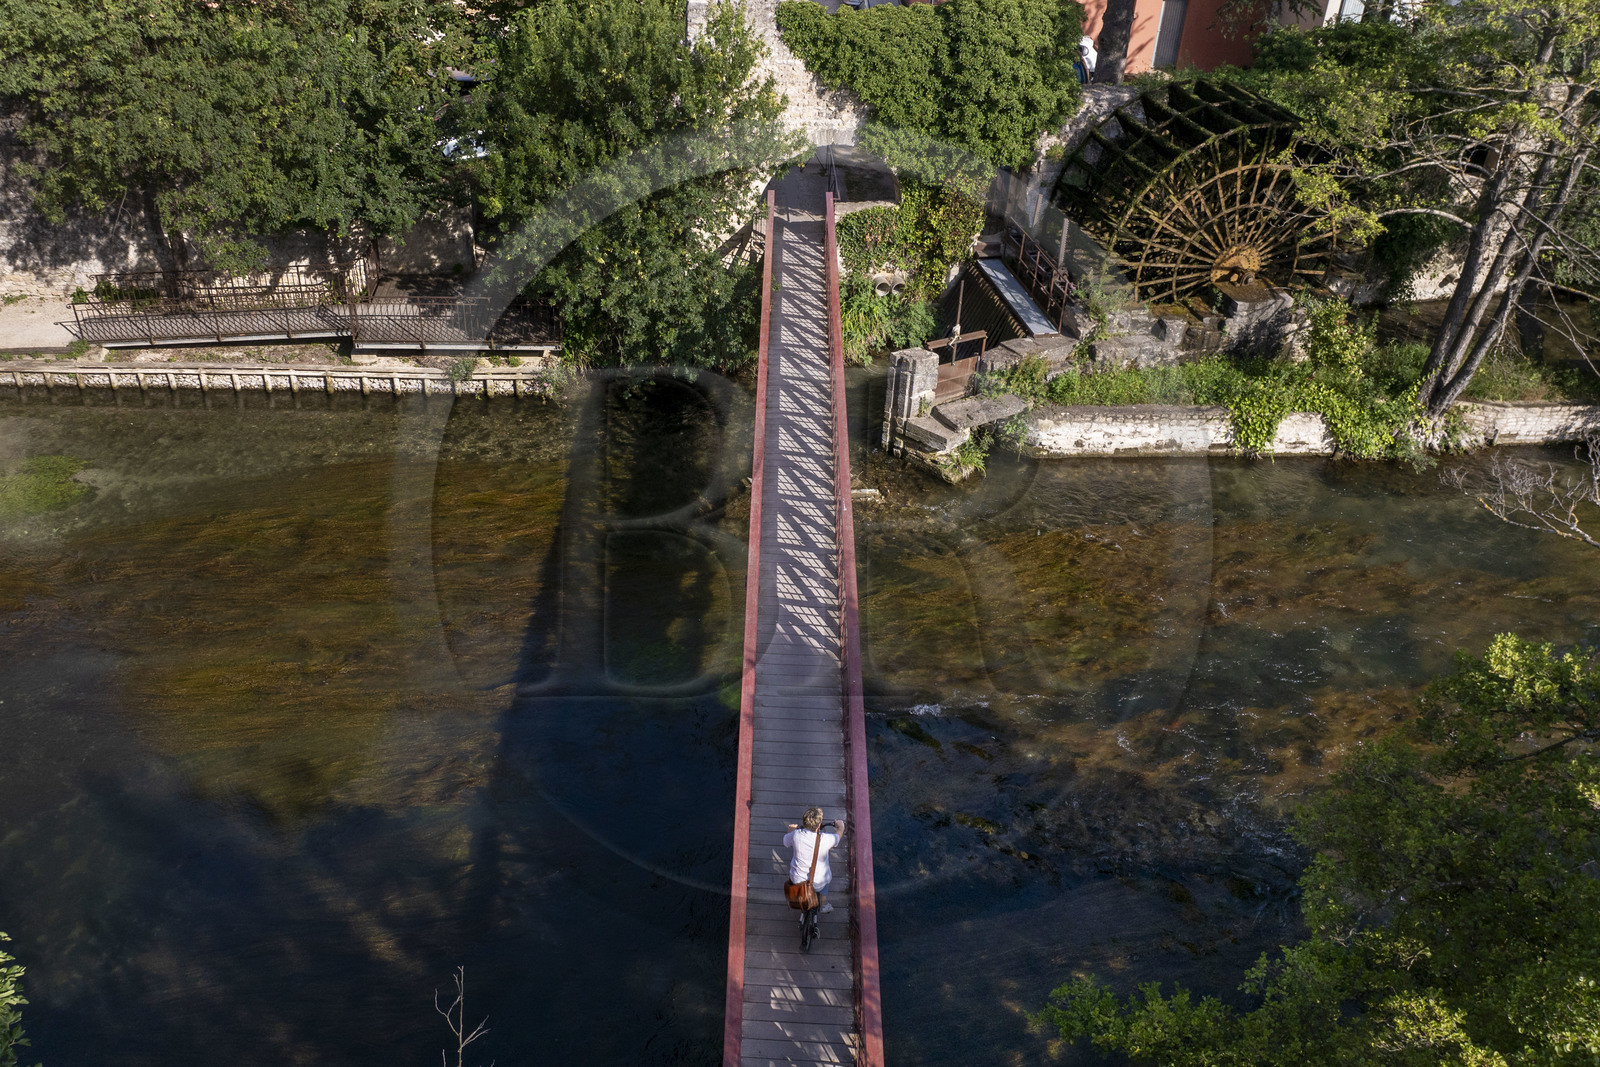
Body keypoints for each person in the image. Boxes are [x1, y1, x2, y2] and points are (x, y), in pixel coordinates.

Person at [784, 807, 844, 915]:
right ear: (819, 826)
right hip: (819, 883)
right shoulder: (825, 839)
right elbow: (837, 837)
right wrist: (841, 827)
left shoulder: (796, 835)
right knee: (825, 878)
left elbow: (786, 842)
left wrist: (791, 830)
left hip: (797, 882)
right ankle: (824, 904)